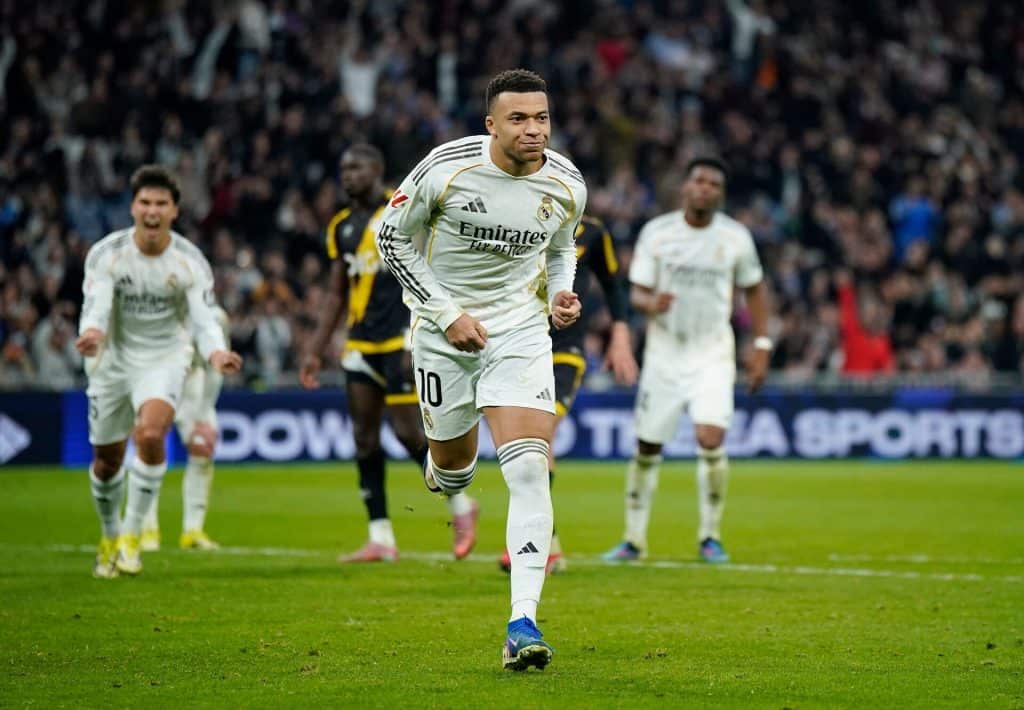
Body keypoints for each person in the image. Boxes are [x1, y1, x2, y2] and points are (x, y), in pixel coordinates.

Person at [375, 69, 585, 671]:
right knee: (453, 471)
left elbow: (561, 248)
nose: (533, 129)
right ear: (491, 124)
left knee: (530, 468)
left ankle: (523, 621)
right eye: (518, 119)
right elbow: (391, 239)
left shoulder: (567, 182)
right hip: (443, 336)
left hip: (519, 332)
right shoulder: (446, 168)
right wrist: (446, 315)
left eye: (541, 117)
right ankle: (445, 473)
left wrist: (559, 293)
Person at [300, 144, 478, 563]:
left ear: (377, 170)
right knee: (363, 438)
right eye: (344, 168)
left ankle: (461, 504)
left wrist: (417, 336)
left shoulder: (403, 210)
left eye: (357, 167)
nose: (348, 175)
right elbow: (336, 293)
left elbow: (429, 269)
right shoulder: (340, 226)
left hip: (402, 339)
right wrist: (315, 349)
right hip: (361, 343)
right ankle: (380, 536)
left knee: (408, 432)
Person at [602, 157, 771, 565]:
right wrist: (651, 303)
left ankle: (710, 536)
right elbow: (636, 292)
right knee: (648, 444)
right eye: (699, 180)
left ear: (721, 194)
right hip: (664, 353)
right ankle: (633, 540)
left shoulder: (735, 238)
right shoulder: (658, 233)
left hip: (713, 353)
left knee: (711, 438)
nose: (705, 188)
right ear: (686, 187)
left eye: (714, 184)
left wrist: (762, 344)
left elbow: (754, 289)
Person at [76, 165, 242, 579]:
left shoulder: (189, 261)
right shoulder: (107, 254)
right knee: (107, 463)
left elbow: (204, 318)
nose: (152, 210)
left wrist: (216, 352)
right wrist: (92, 332)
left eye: (161, 203)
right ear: (133, 207)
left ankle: (132, 539)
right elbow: (97, 305)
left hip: (165, 358)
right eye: (145, 202)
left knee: (150, 435)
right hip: (112, 361)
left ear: (174, 210)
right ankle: (110, 536)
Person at [498, 215, 638, 574]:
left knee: (540, 433)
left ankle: (538, 545)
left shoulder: (592, 231)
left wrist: (620, 336)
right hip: (519, 346)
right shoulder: (513, 219)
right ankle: (549, 547)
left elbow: (613, 285)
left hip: (564, 349)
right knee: (528, 442)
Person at [138, 306, 231, 552]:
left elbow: (217, 368)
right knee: (150, 449)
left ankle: (193, 531)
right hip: (156, 383)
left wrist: (204, 411)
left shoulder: (215, 317)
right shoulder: (154, 307)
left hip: (194, 387)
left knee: (203, 448)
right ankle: (147, 529)